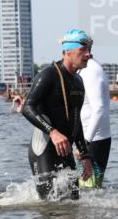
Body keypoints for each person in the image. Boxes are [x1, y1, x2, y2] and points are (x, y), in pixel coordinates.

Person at [21, 30, 94, 200]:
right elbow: (27, 107)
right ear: (68, 51)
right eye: (83, 50)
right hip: (44, 149)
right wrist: (53, 132)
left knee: (73, 205)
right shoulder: (48, 75)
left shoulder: (78, 81)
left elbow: (77, 122)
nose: (88, 54)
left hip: (65, 149)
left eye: (89, 50)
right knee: (51, 208)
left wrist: (85, 155)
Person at [78, 47, 112, 189]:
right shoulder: (85, 69)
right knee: (86, 189)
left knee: (89, 190)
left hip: (93, 139)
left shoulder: (91, 70)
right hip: (88, 138)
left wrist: (84, 143)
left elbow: (99, 109)